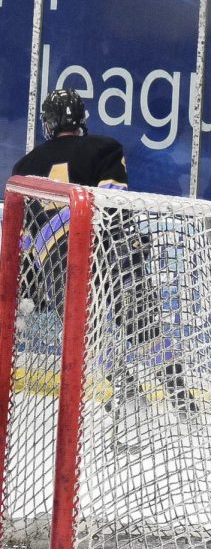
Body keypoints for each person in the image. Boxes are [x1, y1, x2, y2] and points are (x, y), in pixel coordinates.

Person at [12, 87, 194, 412]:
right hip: (110, 253)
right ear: (82, 119)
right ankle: (182, 400)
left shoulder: (24, 166)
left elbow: (23, 238)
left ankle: (129, 394)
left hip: (59, 268)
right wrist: (133, 246)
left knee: (93, 335)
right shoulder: (104, 147)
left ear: (48, 124)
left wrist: (30, 287)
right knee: (145, 329)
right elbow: (114, 203)